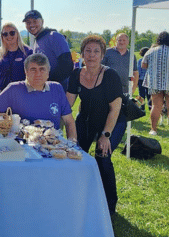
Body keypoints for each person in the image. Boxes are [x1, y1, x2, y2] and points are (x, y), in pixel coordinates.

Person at [66, 35, 125, 215]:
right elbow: (66, 106)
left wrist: (105, 135)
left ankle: (109, 206)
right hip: (85, 120)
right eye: (88, 51)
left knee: (102, 157)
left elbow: (114, 110)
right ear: (82, 53)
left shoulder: (110, 76)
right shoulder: (76, 74)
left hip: (112, 122)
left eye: (96, 51)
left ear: (102, 55)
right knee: (75, 156)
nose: (91, 55)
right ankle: (79, 198)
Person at [0, 53, 77, 140]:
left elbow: (69, 121)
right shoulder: (14, 89)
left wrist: (72, 142)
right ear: (26, 72)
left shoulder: (56, 88)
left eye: (42, 69)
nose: (38, 74)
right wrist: (8, 124)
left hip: (53, 145)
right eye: (33, 69)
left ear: (48, 72)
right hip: (23, 145)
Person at [23, 10, 73, 90]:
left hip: (58, 91)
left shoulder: (54, 36)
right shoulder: (37, 41)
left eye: (35, 21)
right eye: (28, 22)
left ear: (42, 22)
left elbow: (67, 66)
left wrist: (49, 83)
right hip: (45, 91)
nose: (31, 25)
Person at [142, 32, 169, 138]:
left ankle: (153, 129)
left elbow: (143, 65)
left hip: (155, 81)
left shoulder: (151, 50)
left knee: (155, 106)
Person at [0, 23, 32, 95]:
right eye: (5, 34)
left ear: (17, 34)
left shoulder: (27, 52)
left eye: (12, 33)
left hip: (22, 93)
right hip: (1, 94)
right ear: (2, 36)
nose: (9, 36)